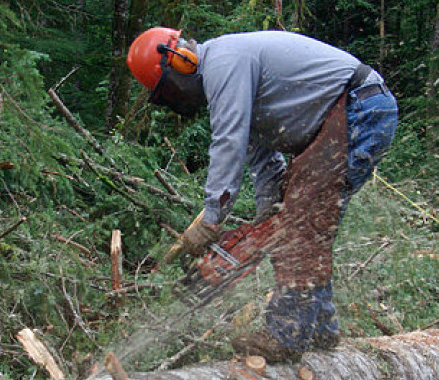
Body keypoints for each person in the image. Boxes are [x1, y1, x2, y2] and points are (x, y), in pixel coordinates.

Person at [126, 27, 398, 362]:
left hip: (359, 108)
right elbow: (263, 158)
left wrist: (212, 218)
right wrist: (270, 213)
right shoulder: (232, 76)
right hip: (344, 115)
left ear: (181, 60)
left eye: (168, 89)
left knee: (303, 224)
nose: (175, 97)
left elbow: (229, 142)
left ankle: (288, 334)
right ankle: (321, 329)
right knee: (298, 222)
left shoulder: (223, 63)